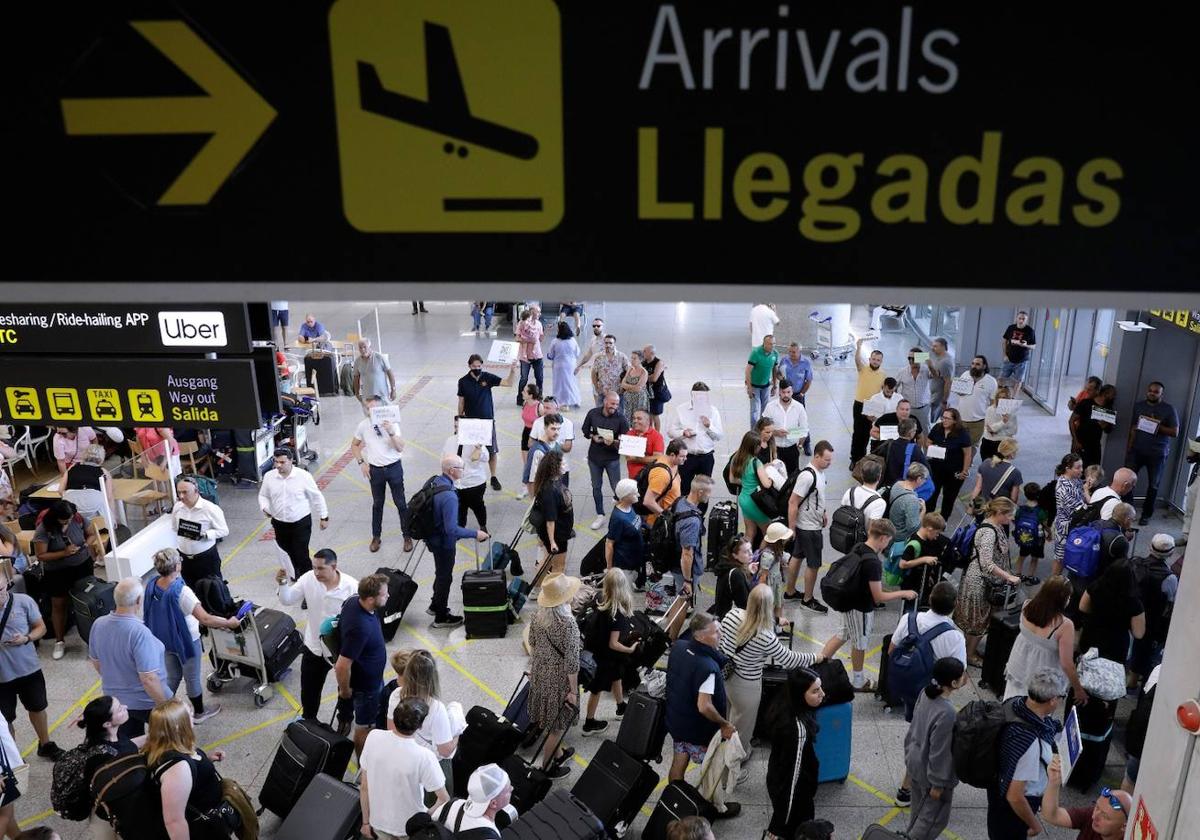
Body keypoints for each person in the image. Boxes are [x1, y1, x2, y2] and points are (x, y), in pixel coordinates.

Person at [820, 519, 916, 692]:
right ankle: (858, 681)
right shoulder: (873, 562)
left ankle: (818, 665)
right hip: (860, 608)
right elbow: (878, 596)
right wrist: (903, 593)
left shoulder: (858, 547)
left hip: (847, 601)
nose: (888, 544)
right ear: (883, 538)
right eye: (888, 540)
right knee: (860, 643)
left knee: (842, 634)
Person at [144, 548, 238, 725]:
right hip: (185, 641)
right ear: (177, 566)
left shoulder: (152, 584)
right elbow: (205, 618)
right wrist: (229, 623)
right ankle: (200, 713)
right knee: (192, 677)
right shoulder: (181, 591)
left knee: (172, 676)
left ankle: (165, 712)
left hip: (164, 639)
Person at [720, 585, 819, 750]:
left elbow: (721, 641)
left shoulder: (732, 615)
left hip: (726, 676)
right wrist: (815, 657)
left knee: (728, 718)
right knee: (742, 728)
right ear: (769, 607)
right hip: (747, 685)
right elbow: (789, 659)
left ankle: (725, 746)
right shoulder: (766, 636)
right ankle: (736, 763)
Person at [276, 548, 358, 721]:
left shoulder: (352, 587)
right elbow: (287, 599)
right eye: (314, 567)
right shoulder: (308, 578)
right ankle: (309, 721)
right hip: (314, 647)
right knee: (309, 690)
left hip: (340, 651)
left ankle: (345, 719)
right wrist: (283, 583)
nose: (316, 572)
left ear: (334, 566)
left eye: (321, 568)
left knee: (345, 689)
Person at [664, 611, 737, 804]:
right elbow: (704, 707)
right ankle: (713, 807)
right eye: (716, 632)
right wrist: (724, 724)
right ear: (700, 636)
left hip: (677, 720)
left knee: (679, 759)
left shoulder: (679, 647)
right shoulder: (707, 667)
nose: (720, 635)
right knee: (711, 769)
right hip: (698, 730)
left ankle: (673, 798)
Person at [987, 668, 1066, 840]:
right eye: (1062, 697)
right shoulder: (1029, 743)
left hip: (996, 788)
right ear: (1053, 700)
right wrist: (1034, 825)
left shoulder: (1015, 703)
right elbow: (1015, 796)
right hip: (1011, 813)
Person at [87, 578, 168, 737]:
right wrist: (166, 705)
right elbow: (149, 679)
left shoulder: (98, 624)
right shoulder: (139, 632)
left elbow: (97, 663)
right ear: (139, 601)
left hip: (118, 704)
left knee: (130, 746)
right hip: (146, 702)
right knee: (167, 742)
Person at [360, 697, 448, 840]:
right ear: (419, 726)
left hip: (378, 822)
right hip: (409, 829)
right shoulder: (424, 757)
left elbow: (364, 786)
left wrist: (365, 822)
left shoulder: (373, 737)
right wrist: (424, 818)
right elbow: (443, 798)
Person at [902, 657, 968, 840]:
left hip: (914, 761)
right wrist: (939, 784)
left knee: (917, 813)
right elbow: (941, 752)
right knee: (931, 822)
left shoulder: (925, 693)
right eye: (962, 674)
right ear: (954, 683)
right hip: (930, 774)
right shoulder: (947, 713)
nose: (965, 677)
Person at [145, 698, 228, 840]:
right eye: (189, 714)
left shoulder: (169, 744)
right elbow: (174, 821)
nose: (193, 714)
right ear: (177, 726)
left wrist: (206, 759)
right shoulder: (176, 768)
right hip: (203, 828)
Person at [954, 498, 1022, 666]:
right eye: (1009, 515)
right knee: (978, 620)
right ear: (999, 513)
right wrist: (1008, 576)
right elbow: (986, 563)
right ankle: (969, 655)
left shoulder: (992, 525)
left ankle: (966, 649)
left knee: (975, 619)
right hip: (980, 582)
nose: (1011, 519)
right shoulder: (989, 532)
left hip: (980, 579)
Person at [527, 573, 582, 778]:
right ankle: (547, 768)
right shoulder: (569, 625)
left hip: (540, 675)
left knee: (549, 720)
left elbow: (532, 643)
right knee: (557, 727)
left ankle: (559, 755)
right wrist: (573, 691)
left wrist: (536, 667)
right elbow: (572, 664)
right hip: (559, 682)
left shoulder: (537, 616)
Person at [0, 582, 62, 760]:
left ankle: (45, 744)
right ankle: (13, 758)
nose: (0, 595)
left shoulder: (24, 601)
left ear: (6, 585)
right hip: (2, 677)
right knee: (5, 719)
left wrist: (27, 638)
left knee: (38, 707)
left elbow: (41, 627)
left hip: (29, 669)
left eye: (1, 589)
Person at [1002, 576, 1086, 704]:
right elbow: (1067, 663)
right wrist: (1078, 689)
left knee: (1011, 704)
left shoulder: (1027, 606)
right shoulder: (1065, 625)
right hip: (1043, 680)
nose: (1069, 600)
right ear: (1061, 599)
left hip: (1018, 667)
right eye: (1068, 597)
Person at [427, 455, 489, 628]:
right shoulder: (450, 497)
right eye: (461, 468)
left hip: (432, 537)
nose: (464, 470)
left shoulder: (436, 481)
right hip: (444, 543)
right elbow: (452, 529)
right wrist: (475, 533)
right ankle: (441, 617)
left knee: (440, 573)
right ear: (451, 471)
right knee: (444, 577)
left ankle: (434, 604)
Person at [32, 499, 95, 659]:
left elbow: (92, 534)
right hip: (57, 572)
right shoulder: (44, 529)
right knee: (59, 604)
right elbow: (41, 555)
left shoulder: (77, 518)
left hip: (82, 566)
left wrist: (87, 544)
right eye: (65, 520)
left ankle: (94, 636)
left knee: (87, 601)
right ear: (56, 517)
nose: (68, 521)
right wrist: (64, 553)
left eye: (70, 518)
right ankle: (59, 641)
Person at [335, 573, 391, 756]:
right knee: (364, 728)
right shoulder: (360, 627)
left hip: (368, 679)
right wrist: (345, 692)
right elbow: (342, 665)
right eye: (384, 594)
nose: (388, 596)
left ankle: (344, 720)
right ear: (370, 599)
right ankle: (363, 766)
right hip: (365, 688)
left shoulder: (353, 601)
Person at [764, 667, 822, 839]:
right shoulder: (797, 730)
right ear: (800, 694)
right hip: (794, 794)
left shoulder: (786, 704)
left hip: (776, 774)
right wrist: (778, 824)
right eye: (816, 691)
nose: (822, 694)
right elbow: (792, 779)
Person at [78, 695, 147, 840]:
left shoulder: (110, 736)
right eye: (120, 709)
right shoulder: (106, 757)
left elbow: (128, 745)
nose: (126, 707)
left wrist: (159, 734)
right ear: (107, 724)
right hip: (110, 816)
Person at [581, 569, 640, 735]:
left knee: (617, 676)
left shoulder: (601, 600)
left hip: (597, 651)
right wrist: (629, 649)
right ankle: (589, 723)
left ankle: (621, 706)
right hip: (604, 657)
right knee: (596, 689)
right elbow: (614, 644)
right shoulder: (617, 612)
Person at [353, 395, 413, 554]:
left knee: (401, 503)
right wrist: (361, 463)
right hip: (376, 470)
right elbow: (354, 445)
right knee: (377, 504)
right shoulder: (363, 425)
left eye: (375, 407)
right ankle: (376, 536)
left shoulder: (392, 425)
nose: (371, 410)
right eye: (368, 408)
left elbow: (400, 448)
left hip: (394, 468)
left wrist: (391, 433)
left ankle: (407, 536)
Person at [259, 447, 329, 580]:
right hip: (279, 523)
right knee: (287, 551)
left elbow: (317, 497)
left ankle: (308, 580)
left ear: (291, 461)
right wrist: (264, 508)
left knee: (301, 553)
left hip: (300, 523)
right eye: (276, 462)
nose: (278, 465)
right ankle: (295, 574)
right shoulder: (269, 477)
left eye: (282, 462)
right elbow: (263, 495)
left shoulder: (303, 477)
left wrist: (324, 516)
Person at [393, 650, 457, 791]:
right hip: (428, 768)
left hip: (403, 759)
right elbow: (445, 751)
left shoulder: (396, 695)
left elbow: (392, 730)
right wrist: (458, 733)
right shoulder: (436, 708)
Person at [457, 353, 520, 491]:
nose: (477, 368)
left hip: (487, 421)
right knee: (467, 451)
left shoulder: (487, 377)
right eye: (474, 366)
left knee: (492, 451)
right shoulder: (463, 381)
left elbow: (508, 383)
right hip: (471, 422)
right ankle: (464, 474)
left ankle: (493, 477)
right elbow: (461, 401)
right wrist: (459, 418)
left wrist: (512, 370)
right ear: (469, 366)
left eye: (479, 366)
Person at [785, 441, 834, 612]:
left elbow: (817, 496)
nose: (830, 463)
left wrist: (824, 512)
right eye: (826, 459)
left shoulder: (820, 473)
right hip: (808, 527)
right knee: (813, 564)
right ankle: (808, 599)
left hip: (811, 523)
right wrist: (791, 528)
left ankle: (790, 592)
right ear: (817, 456)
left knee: (797, 557)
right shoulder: (807, 476)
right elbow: (793, 502)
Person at [1124, 381, 1180, 525]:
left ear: (1162, 394)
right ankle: (1128, 511)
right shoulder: (1138, 406)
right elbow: (1133, 427)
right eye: (1150, 390)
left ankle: (1146, 515)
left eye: (1156, 391)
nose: (1152, 393)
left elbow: (1175, 432)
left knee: (1153, 485)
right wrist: (1129, 446)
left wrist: (1157, 425)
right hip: (1136, 451)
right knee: (1128, 481)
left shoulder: (1169, 409)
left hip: (1157, 454)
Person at [1042, 755, 1131, 840]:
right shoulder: (1091, 815)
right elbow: (1052, 816)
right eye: (1097, 807)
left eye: (1105, 816)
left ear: (1124, 826)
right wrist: (1054, 782)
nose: (1094, 816)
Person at [1128, 534, 1179, 681]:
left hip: (1128, 609)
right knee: (1141, 648)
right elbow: (1170, 601)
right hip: (1149, 618)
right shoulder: (1169, 577)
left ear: (1150, 547)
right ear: (1170, 553)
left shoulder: (1135, 562)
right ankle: (1132, 681)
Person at [1078, 560, 1146, 664]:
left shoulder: (1095, 587)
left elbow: (1083, 607)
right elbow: (1138, 633)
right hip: (1115, 646)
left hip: (1091, 636)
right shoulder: (1134, 602)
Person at [581, 392, 630, 530]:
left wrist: (614, 442)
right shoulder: (593, 413)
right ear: (605, 402)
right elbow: (585, 430)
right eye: (612, 403)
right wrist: (592, 436)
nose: (614, 406)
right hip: (594, 458)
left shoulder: (621, 419)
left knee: (617, 487)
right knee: (596, 486)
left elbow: (626, 440)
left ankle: (622, 513)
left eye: (617, 404)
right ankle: (600, 514)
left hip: (612, 458)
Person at [170, 475, 229, 586]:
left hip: (206, 559)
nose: (181, 496)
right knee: (191, 588)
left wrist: (205, 535)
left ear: (196, 491)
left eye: (185, 492)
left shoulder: (211, 509)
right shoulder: (177, 507)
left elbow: (224, 531)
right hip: (185, 559)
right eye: (179, 493)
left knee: (212, 590)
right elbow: (174, 527)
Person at [667, 383, 724, 494]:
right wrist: (683, 433)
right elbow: (670, 431)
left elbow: (719, 436)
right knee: (683, 488)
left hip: (706, 457)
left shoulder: (713, 411)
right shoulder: (681, 409)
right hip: (686, 457)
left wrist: (709, 426)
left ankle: (701, 511)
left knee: (703, 490)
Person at [896, 513, 954, 612]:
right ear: (930, 529)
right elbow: (903, 564)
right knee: (909, 611)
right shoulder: (915, 543)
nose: (937, 537)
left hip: (919, 583)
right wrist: (924, 559)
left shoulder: (924, 538)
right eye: (937, 533)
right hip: (911, 585)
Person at [443, 416, 490, 529]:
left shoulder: (476, 442)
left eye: (460, 427)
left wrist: (478, 448)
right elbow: (444, 459)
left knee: (478, 506)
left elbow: (482, 458)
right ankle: (460, 528)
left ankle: (483, 526)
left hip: (473, 483)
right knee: (459, 508)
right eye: (455, 426)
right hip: (456, 484)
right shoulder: (450, 441)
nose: (457, 430)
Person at [729, 430, 775, 547]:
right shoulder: (756, 462)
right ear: (754, 447)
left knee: (750, 533)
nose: (760, 447)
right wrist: (771, 477)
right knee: (768, 534)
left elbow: (732, 479)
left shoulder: (736, 457)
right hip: (755, 501)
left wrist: (746, 482)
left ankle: (745, 559)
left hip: (744, 499)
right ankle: (759, 559)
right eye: (759, 445)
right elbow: (766, 484)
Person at [1052, 454, 1095, 576]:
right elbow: (1082, 510)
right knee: (1060, 558)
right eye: (1078, 467)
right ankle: (1053, 586)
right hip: (1065, 528)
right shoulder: (1064, 487)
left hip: (1072, 525)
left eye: (1082, 466)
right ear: (1067, 468)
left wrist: (1086, 486)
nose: (1081, 470)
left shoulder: (1074, 479)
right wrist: (1087, 493)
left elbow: (1081, 487)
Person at [532, 450, 573, 576]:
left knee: (547, 562)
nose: (565, 465)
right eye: (562, 463)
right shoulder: (549, 490)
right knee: (558, 567)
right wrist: (552, 542)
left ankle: (538, 589)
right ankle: (551, 593)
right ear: (555, 466)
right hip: (556, 535)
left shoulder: (554, 482)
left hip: (560, 532)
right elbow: (550, 521)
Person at [926, 407, 972, 520]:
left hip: (953, 472)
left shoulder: (963, 434)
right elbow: (928, 441)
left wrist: (964, 471)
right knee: (932, 495)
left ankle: (943, 520)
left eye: (947, 418)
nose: (944, 421)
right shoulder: (937, 428)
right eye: (943, 418)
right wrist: (932, 448)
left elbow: (967, 454)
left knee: (949, 498)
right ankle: (928, 519)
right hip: (936, 469)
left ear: (955, 421)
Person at [672, 475, 712, 600]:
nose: (710, 495)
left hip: (673, 561)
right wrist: (687, 581)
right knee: (683, 603)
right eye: (709, 492)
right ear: (700, 492)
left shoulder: (680, 501)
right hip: (685, 571)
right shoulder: (692, 521)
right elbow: (687, 554)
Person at [947, 355, 998, 452]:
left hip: (978, 421)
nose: (974, 366)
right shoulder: (966, 374)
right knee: (958, 444)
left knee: (972, 446)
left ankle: (968, 464)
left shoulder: (991, 382)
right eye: (973, 364)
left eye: (977, 364)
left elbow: (992, 404)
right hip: (961, 418)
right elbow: (960, 393)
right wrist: (954, 386)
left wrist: (991, 422)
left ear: (984, 366)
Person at [850, 336, 886, 466]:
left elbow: (885, 392)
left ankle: (862, 457)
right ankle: (854, 458)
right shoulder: (863, 369)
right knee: (857, 432)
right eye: (874, 359)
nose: (875, 361)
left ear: (881, 361)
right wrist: (859, 346)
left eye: (878, 360)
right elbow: (857, 360)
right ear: (870, 359)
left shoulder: (883, 375)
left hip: (872, 406)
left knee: (866, 433)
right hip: (859, 403)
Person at [762, 381, 808, 475]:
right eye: (783, 392)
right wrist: (775, 432)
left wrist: (799, 445)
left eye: (788, 392)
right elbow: (762, 427)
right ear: (779, 391)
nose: (786, 395)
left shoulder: (799, 407)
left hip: (792, 450)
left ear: (792, 392)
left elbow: (804, 429)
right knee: (775, 475)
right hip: (775, 450)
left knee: (792, 476)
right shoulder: (770, 407)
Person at [777, 343, 815, 455]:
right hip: (785, 394)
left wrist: (802, 393)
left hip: (798, 394)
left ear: (799, 352)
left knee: (801, 419)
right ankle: (791, 442)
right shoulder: (784, 360)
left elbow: (809, 380)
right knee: (786, 417)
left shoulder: (806, 363)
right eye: (790, 352)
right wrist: (781, 378)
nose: (791, 354)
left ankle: (806, 443)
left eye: (794, 352)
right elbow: (778, 373)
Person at [604, 479, 644, 581]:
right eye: (634, 493)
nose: (638, 495)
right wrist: (609, 569)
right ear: (625, 496)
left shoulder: (630, 507)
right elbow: (609, 544)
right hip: (626, 565)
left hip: (635, 558)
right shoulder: (618, 518)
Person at [640, 439, 686, 527]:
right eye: (682, 456)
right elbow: (648, 501)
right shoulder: (662, 474)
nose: (685, 459)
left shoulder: (672, 463)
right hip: (657, 523)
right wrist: (667, 516)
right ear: (672, 455)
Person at [1070, 383, 1117, 469]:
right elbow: (1071, 421)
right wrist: (1075, 441)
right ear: (1105, 393)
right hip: (1081, 442)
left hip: (1095, 446)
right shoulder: (1086, 403)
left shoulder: (1109, 409)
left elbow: (1108, 430)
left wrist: (1104, 425)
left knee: (1093, 472)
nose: (1114, 397)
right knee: (1077, 470)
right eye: (1112, 394)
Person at [887, 462, 930, 553]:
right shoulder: (912, 500)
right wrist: (923, 512)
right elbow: (913, 527)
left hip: (891, 530)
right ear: (919, 479)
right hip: (900, 539)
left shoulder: (897, 484)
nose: (924, 482)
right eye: (924, 479)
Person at [63, 443, 114, 518]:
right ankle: (110, 525)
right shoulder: (103, 471)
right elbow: (108, 496)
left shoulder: (73, 467)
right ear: (102, 458)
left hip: (71, 505)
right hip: (93, 505)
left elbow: (60, 490)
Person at [712, 536, 755, 619]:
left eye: (750, 549)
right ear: (734, 555)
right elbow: (746, 604)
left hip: (722, 617)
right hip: (729, 621)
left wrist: (748, 572)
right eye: (746, 552)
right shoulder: (736, 574)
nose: (751, 554)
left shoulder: (726, 566)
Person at [970, 438, 1023, 506]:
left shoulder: (986, 463)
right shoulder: (1015, 473)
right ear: (1012, 454)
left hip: (983, 506)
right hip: (999, 510)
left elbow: (978, 488)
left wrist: (971, 505)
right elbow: (1013, 499)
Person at [879, 418, 927, 488]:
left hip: (886, 485)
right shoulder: (914, 449)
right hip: (902, 487)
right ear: (910, 433)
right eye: (915, 430)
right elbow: (926, 470)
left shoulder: (888, 444)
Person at [1013, 482, 1047, 578]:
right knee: (1034, 558)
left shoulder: (1021, 509)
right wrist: (1049, 533)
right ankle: (1030, 577)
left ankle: (1017, 575)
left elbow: (1016, 520)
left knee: (1021, 556)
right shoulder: (1041, 511)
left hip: (1024, 537)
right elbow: (1045, 525)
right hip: (1038, 539)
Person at [352, 339, 397, 411]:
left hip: (382, 395)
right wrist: (357, 393)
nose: (362, 350)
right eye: (360, 348)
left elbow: (390, 373)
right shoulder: (357, 361)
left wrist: (393, 389)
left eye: (364, 347)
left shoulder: (379, 357)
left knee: (385, 419)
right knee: (371, 419)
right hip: (367, 397)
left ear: (370, 347)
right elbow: (356, 378)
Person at [545, 321, 582, 409]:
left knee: (559, 384)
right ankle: (574, 400)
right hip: (571, 365)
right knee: (571, 382)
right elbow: (577, 353)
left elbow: (550, 355)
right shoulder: (573, 341)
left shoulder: (555, 341)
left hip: (558, 366)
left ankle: (559, 401)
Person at [746, 334, 779, 426]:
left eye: (774, 344)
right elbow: (748, 371)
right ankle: (753, 432)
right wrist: (749, 387)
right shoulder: (756, 353)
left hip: (766, 386)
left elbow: (775, 370)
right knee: (755, 410)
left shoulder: (775, 354)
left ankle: (762, 429)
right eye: (769, 344)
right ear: (764, 344)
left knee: (765, 411)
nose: (772, 346)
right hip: (754, 386)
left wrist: (775, 386)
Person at [588, 334, 630, 409]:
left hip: (618, 392)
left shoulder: (621, 357)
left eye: (610, 343)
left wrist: (624, 386)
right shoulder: (599, 357)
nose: (608, 345)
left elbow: (629, 371)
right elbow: (594, 373)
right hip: (603, 392)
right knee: (600, 414)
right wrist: (596, 387)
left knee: (618, 414)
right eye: (606, 343)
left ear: (614, 344)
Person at [516, 304, 545, 405]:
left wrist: (541, 336)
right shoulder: (522, 323)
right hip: (525, 356)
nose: (539, 314)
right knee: (524, 378)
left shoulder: (539, 324)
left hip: (537, 355)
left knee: (540, 377)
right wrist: (528, 339)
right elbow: (517, 338)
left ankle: (539, 398)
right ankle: (520, 398)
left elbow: (541, 338)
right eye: (538, 312)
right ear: (532, 312)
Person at [981, 385, 1020, 462]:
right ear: (997, 398)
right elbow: (989, 429)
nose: (1002, 400)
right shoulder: (990, 410)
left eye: (1005, 398)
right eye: (1000, 397)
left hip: (1004, 444)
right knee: (987, 467)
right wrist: (1003, 422)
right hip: (989, 442)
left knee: (1000, 469)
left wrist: (997, 432)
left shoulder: (1012, 412)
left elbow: (1013, 431)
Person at [624, 409, 664, 481]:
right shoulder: (630, 433)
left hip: (650, 476)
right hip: (632, 476)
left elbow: (658, 458)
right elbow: (628, 457)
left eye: (639, 419)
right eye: (634, 418)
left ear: (648, 422)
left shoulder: (657, 436)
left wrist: (637, 458)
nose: (635, 421)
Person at [1000, 310, 1038, 388]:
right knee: (1001, 378)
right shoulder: (1011, 328)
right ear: (1016, 318)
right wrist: (1005, 355)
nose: (1021, 320)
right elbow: (1004, 342)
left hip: (1022, 361)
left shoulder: (1030, 331)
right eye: (1020, 318)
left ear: (1026, 320)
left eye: (1023, 319)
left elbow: (1034, 346)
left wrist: (1025, 345)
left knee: (1018, 381)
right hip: (1009, 359)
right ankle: (1000, 395)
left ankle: (1014, 398)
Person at [926, 336, 956, 426]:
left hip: (937, 397)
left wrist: (944, 401)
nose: (932, 348)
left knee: (931, 420)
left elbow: (948, 382)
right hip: (930, 393)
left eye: (935, 346)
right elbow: (917, 358)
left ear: (943, 347)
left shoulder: (946, 362)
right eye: (932, 346)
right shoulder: (934, 354)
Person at [896, 346, 932, 417]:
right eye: (909, 358)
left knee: (924, 428)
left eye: (914, 358)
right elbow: (895, 388)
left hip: (923, 409)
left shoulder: (926, 370)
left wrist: (930, 364)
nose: (911, 361)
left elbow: (935, 375)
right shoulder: (902, 371)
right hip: (907, 409)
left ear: (920, 358)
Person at [643, 344, 670, 431]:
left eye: (645, 351)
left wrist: (643, 377)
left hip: (657, 394)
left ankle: (657, 434)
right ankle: (650, 432)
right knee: (649, 415)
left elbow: (654, 378)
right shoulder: (644, 363)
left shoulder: (658, 362)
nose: (643, 353)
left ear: (651, 353)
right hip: (647, 393)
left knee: (655, 415)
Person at [620, 350, 650, 422]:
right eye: (631, 358)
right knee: (627, 418)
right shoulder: (630, 369)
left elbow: (638, 389)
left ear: (641, 360)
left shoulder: (644, 372)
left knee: (637, 419)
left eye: (634, 358)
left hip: (639, 400)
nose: (632, 360)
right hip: (628, 399)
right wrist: (632, 387)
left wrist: (627, 387)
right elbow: (622, 383)